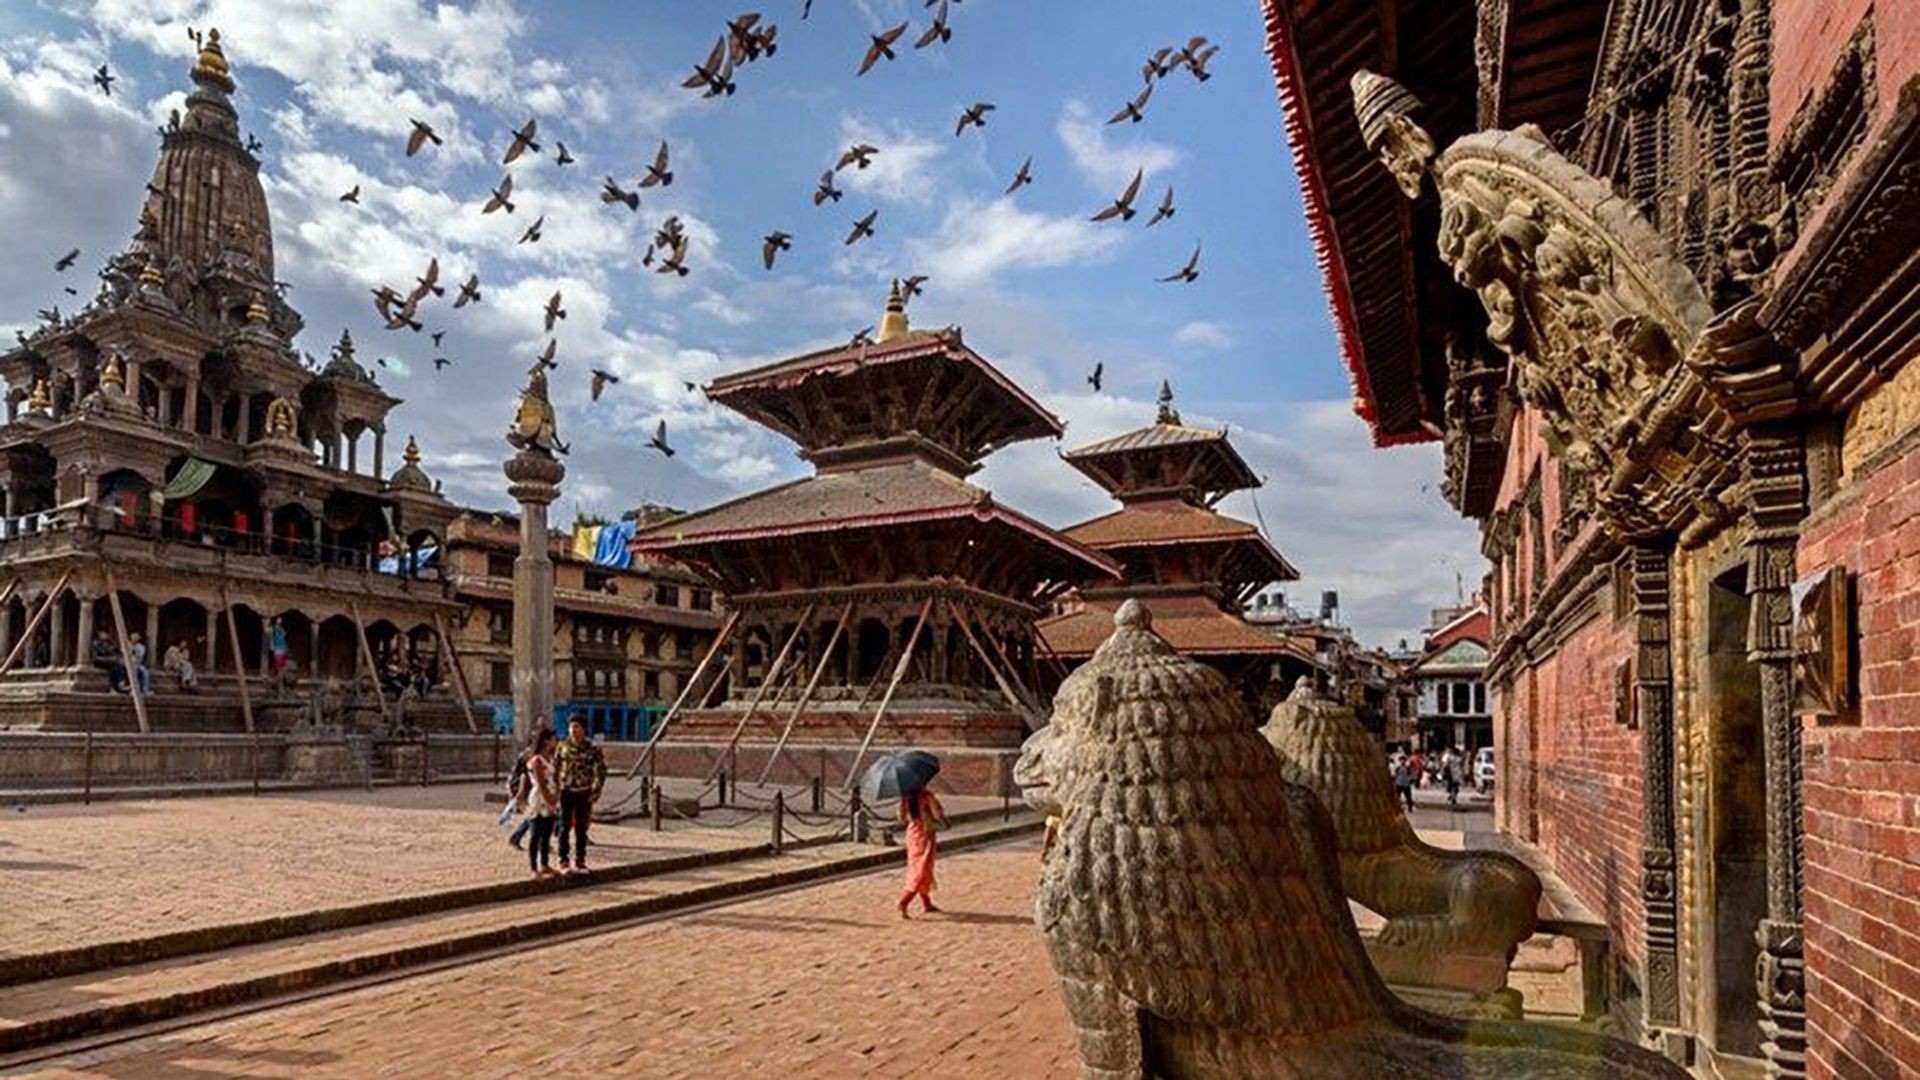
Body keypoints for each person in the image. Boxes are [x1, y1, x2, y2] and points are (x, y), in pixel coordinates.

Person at [553, 717, 605, 875]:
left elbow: (601, 769)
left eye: (576, 727)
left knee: (581, 828)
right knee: (564, 827)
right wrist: (555, 789)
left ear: (583, 729)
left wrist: (597, 789)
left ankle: (580, 861)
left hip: (584, 791)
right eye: (571, 727)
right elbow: (555, 767)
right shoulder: (562, 746)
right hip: (566, 791)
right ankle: (563, 860)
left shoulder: (592, 748)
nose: (573, 730)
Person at [897, 786, 948, 919]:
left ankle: (927, 903)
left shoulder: (905, 797)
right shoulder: (926, 796)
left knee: (918, 867)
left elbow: (901, 817)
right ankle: (904, 900)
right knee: (922, 870)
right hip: (925, 834)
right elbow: (937, 814)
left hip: (912, 833)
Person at [523, 729, 560, 879]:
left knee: (546, 834)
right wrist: (548, 797)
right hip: (540, 798)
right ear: (546, 741)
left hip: (551, 796)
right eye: (553, 739)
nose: (555, 742)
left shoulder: (551, 758)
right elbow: (541, 782)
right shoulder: (537, 760)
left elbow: (555, 778)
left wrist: (556, 795)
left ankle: (544, 864)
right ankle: (533, 866)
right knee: (536, 834)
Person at [127, 631, 152, 696]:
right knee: (133, 671)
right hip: (127, 664)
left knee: (146, 673)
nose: (135, 637)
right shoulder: (126, 645)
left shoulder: (141, 647)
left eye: (136, 636)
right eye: (133, 635)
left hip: (137, 664)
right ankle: (133, 689)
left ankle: (144, 690)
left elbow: (140, 656)